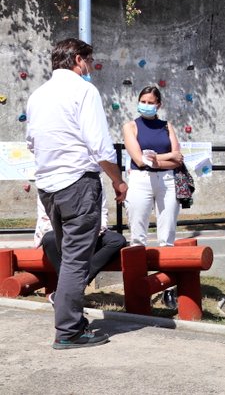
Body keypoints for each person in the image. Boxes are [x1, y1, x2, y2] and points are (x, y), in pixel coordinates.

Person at [25, 38, 128, 349]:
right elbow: (99, 146)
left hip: (49, 187)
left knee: (70, 256)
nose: (91, 67)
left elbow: (32, 141)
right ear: (78, 60)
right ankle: (69, 330)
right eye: (90, 61)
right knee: (75, 261)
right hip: (78, 183)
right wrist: (118, 181)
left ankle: (74, 322)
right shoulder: (84, 90)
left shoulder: (37, 95)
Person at [123, 86, 185, 247]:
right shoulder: (131, 126)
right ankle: (136, 270)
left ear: (158, 105)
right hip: (141, 178)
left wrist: (156, 160)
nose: (146, 105)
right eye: (143, 101)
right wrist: (168, 156)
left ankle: (168, 270)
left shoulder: (166, 126)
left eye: (150, 102)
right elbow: (140, 160)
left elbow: (178, 158)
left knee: (167, 233)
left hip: (167, 180)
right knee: (137, 232)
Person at [35, 191, 126, 300]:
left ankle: (71, 287)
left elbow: (102, 211)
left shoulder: (94, 178)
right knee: (50, 239)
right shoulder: (51, 179)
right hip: (61, 232)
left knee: (117, 241)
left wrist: (95, 230)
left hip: (90, 230)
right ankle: (71, 287)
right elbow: (45, 218)